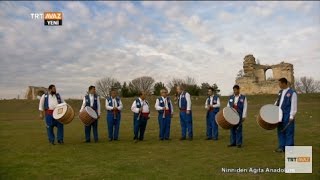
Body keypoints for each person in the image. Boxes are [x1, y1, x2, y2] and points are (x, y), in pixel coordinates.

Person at [274, 78, 297, 153]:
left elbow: (293, 105)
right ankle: (281, 147)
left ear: (284, 83)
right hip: (279, 115)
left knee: (289, 131)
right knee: (280, 131)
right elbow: (277, 101)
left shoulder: (292, 92)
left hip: (288, 115)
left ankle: (289, 148)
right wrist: (272, 108)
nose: (279, 85)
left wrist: (291, 116)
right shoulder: (280, 92)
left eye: (280, 83)